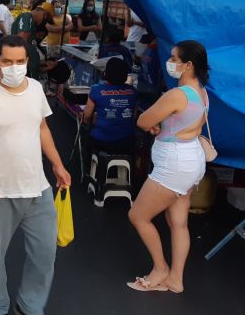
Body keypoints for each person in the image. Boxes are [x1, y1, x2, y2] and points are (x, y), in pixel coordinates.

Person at [0, 35, 71, 315]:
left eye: (20, 61)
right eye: (8, 61)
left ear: (27, 61)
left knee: (45, 254)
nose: (14, 67)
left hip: (38, 190)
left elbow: (42, 129)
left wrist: (57, 164)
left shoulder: (35, 89)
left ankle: (29, 305)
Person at [128, 40, 210, 293]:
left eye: (174, 59)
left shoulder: (177, 94)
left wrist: (155, 125)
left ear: (188, 65)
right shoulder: (202, 92)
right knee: (178, 222)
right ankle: (176, 279)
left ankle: (160, 268)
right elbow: (182, 124)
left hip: (174, 165)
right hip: (191, 161)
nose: (170, 63)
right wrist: (161, 126)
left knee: (138, 216)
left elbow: (143, 120)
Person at [82, 58, 137, 179]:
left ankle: (89, 172)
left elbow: (87, 114)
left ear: (106, 73)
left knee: (86, 139)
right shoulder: (132, 91)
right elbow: (134, 116)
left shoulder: (97, 90)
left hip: (102, 140)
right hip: (126, 141)